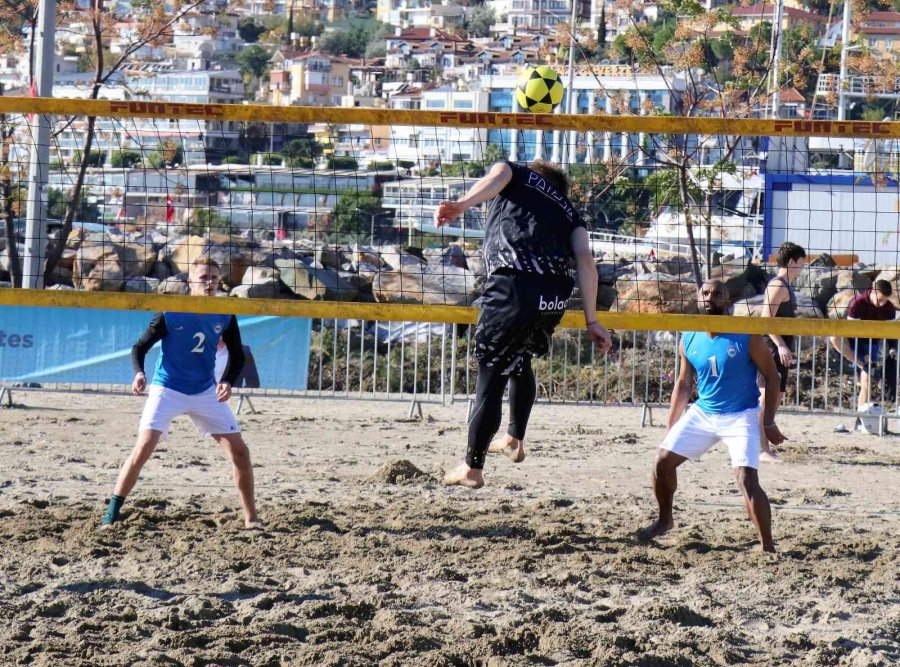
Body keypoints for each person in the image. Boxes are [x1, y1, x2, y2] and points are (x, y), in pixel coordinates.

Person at [434, 159, 613, 488]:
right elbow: (587, 265)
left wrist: (461, 205)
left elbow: (498, 175)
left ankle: (472, 468)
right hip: (553, 297)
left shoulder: (518, 174)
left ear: (536, 175)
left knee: (490, 371)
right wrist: (592, 320)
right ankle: (515, 438)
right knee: (519, 360)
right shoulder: (572, 215)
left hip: (514, 286)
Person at [102, 256, 261, 528]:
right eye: (203, 277)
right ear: (191, 282)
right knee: (144, 446)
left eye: (213, 277)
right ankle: (112, 513)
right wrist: (139, 372)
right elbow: (139, 347)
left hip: (204, 392)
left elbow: (236, 354)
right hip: (168, 388)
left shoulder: (225, 312)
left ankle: (251, 518)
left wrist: (228, 381)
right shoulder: (171, 311)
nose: (209, 283)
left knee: (240, 451)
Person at [641, 280, 787, 552]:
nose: (710, 297)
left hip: (741, 414)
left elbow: (772, 375)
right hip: (704, 412)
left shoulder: (746, 333)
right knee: (662, 461)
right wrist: (671, 426)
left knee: (746, 479)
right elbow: (684, 384)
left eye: (717, 293)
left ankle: (767, 546)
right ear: (698, 300)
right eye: (705, 293)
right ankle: (664, 520)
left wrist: (768, 422)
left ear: (727, 301)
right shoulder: (690, 336)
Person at [758, 242, 806, 463]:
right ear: (791, 262)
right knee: (766, 398)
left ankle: (763, 443)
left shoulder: (785, 285)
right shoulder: (778, 285)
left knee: (776, 398)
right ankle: (761, 449)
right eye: (801, 264)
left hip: (781, 348)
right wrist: (780, 345)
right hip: (772, 348)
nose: (802, 268)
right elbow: (766, 320)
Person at [829, 279, 898, 410]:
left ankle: (862, 413)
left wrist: (892, 349)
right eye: (880, 299)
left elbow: (892, 334)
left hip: (872, 343)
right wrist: (864, 355)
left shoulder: (889, 308)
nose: (882, 304)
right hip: (854, 341)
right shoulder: (857, 303)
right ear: (873, 291)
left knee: (866, 379)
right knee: (834, 338)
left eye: (885, 300)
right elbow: (851, 333)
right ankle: (862, 364)